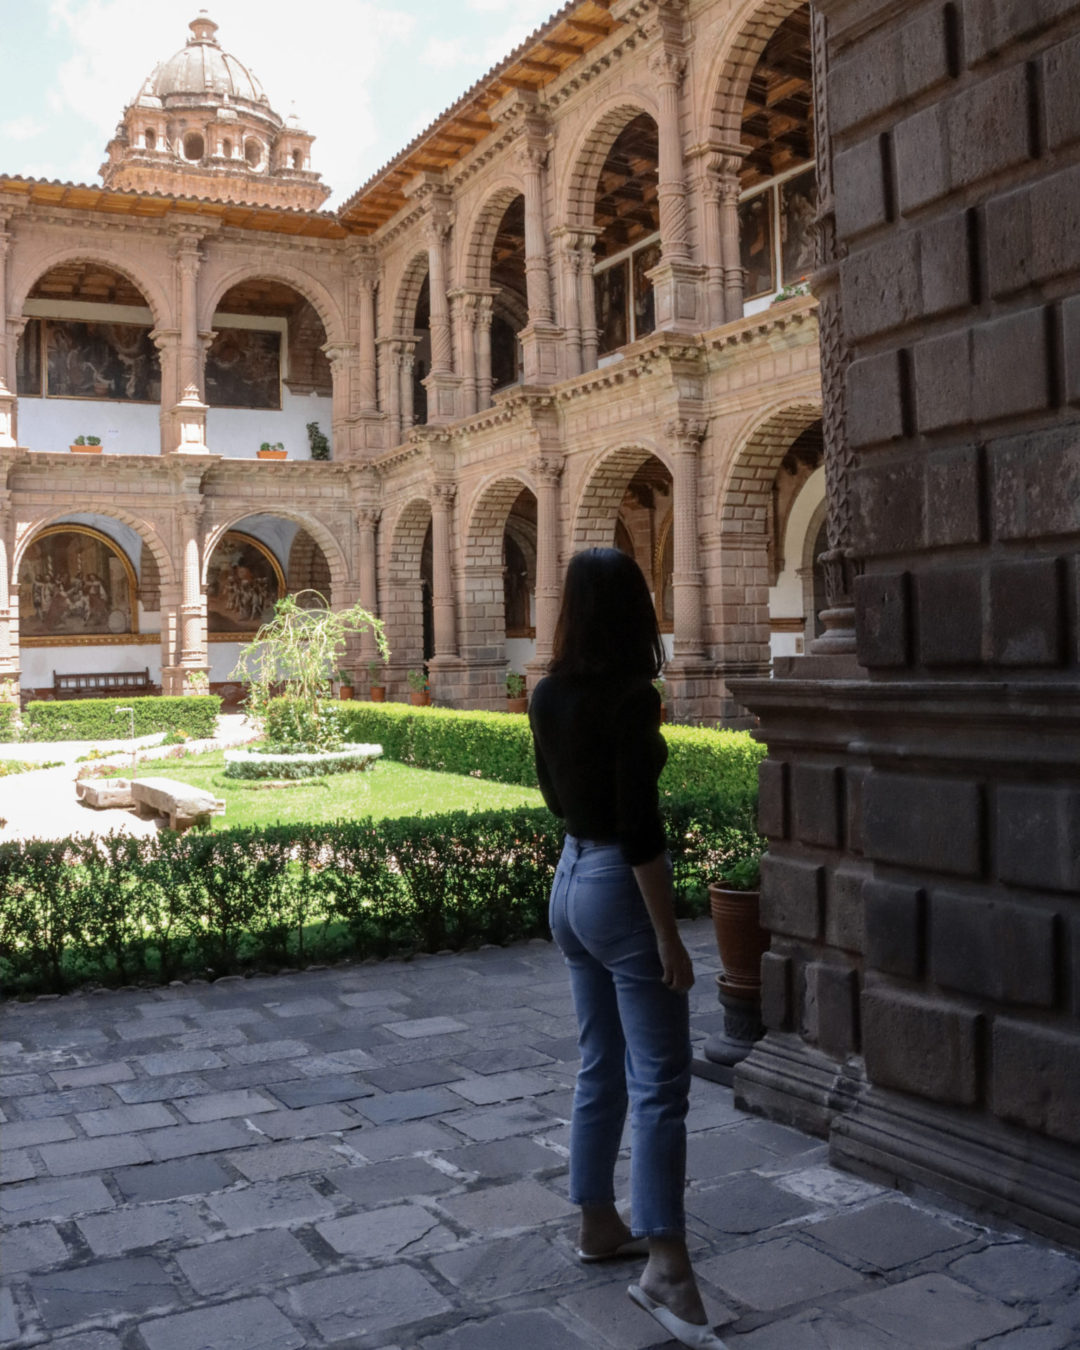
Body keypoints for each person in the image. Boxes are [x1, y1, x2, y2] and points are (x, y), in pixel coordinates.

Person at [529, 547, 727, 1350]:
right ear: (637, 610)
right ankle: (669, 1264)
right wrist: (669, 934)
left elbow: (554, 798)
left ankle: (599, 1222)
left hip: (569, 880)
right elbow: (640, 827)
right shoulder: (631, 699)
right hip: (618, 881)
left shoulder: (546, 694)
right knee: (661, 1080)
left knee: (599, 1062)